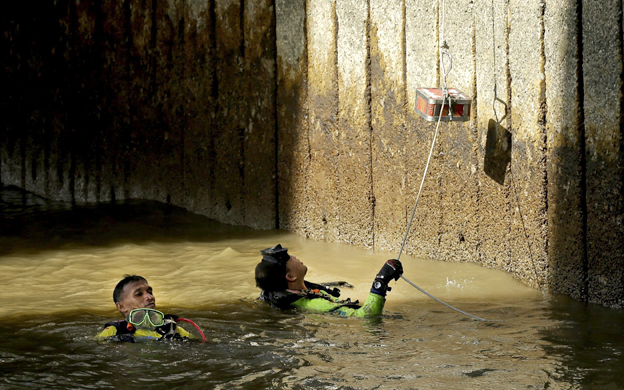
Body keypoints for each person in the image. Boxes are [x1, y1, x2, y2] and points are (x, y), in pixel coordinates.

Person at [254, 244, 403, 317]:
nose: (294, 257)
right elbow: (366, 316)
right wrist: (380, 281)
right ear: (291, 277)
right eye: (289, 259)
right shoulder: (317, 305)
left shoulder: (276, 292)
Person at [95, 275, 196, 342]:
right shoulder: (115, 331)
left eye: (150, 292)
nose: (150, 297)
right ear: (121, 307)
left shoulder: (172, 329)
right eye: (138, 294)